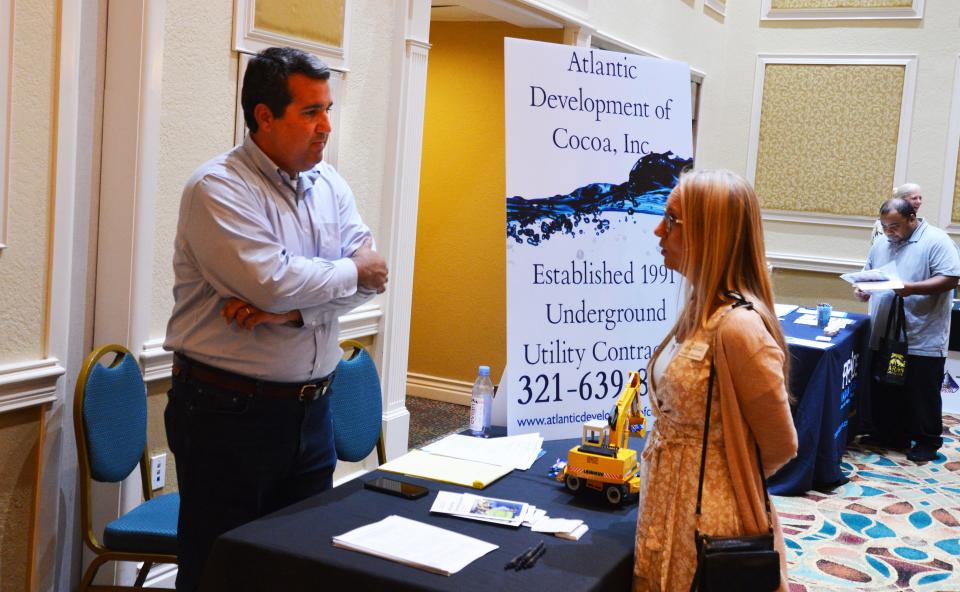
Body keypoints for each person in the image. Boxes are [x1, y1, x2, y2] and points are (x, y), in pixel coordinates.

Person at [163, 47, 388, 591]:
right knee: (222, 570)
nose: (326, 127)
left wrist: (286, 314)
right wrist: (317, 284)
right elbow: (275, 280)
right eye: (311, 112)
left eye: (328, 109)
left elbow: (375, 274)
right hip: (227, 412)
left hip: (312, 411)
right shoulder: (218, 188)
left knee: (297, 567)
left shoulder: (330, 185)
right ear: (265, 116)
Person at [633, 170, 798, 592]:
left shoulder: (739, 328)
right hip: (670, 509)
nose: (658, 229)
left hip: (712, 524)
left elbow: (781, 444)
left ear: (711, 233)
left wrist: (718, 474)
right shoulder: (699, 311)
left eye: (672, 220)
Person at [855, 198, 960, 462]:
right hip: (885, 331)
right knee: (888, 385)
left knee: (920, 391)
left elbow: (950, 278)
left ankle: (927, 441)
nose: (889, 231)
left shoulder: (936, 240)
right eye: (885, 226)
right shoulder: (882, 243)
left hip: (922, 333)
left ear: (912, 218)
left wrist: (912, 288)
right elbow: (870, 273)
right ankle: (890, 434)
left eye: (895, 226)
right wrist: (862, 289)